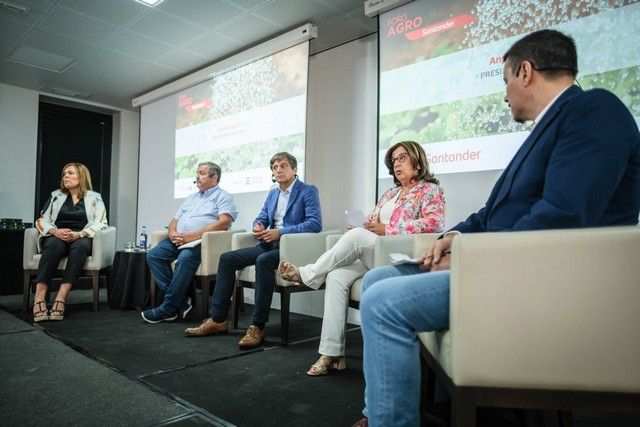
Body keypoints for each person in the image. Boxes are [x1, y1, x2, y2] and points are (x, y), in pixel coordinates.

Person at [355, 29, 640, 427]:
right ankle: (384, 409)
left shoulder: (594, 109)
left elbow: (563, 216)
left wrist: (471, 260)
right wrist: (451, 238)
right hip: (503, 265)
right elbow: (492, 214)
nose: (505, 95)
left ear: (525, 72)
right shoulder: (547, 127)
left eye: (506, 81)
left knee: (381, 303)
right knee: (376, 281)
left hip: (543, 278)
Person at [277, 141, 445, 376]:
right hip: (375, 253)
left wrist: (386, 228)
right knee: (336, 275)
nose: (397, 163)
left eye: (403, 158)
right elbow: (373, 222)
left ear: (418, 163)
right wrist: (363, 224)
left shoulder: (430, 190)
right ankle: (332, 353)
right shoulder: (390, 193)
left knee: (356, 237)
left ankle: (308, 274)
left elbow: (433, 224)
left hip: (401, 254)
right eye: (394, 160)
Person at [184, 152, 322, 348]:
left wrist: (280, 232)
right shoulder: (273, 192)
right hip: (269, 244)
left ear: (294, 169)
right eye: (275, 167)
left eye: (283, 166)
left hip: (291, 247)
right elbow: (262, 217)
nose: (278, 170)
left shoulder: (307, 190)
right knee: (227, 258)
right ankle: (218, 319)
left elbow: (315, 224)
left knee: (263, 261)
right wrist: (259, 225)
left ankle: (257, 326)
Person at [141, 162, 238, 323]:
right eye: (197, 173)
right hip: (178, 239)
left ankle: (168, 307)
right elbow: (174, 220)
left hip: (202, 242)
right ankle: (180, 302)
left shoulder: (223, 196)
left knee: (185, 259)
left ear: (214, 177)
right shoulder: (190, 198)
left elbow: (224, 222)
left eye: (201, 173)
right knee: (154, 255)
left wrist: (194, 236)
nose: (197, 177)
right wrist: (172, 233)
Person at [32, 162, 108, 322]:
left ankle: (61, 297)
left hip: (81, 237)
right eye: (64, 173)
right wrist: (54, 231)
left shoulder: (95, 198)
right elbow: (41, 220)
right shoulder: (56, 196)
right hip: (57, 236)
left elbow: (101, 223)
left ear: (81, 176)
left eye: (71, 173)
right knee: (53, 245)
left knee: (80, 247)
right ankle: (39, 298)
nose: (66, 176)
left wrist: (80, 234)